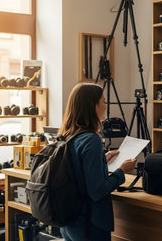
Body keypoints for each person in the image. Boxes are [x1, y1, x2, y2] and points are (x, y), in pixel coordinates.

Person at [58, 83, 136, 241]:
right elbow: (97, 191)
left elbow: (78, 172)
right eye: (104, 101)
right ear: (92, 106)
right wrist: (121, 171)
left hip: (70, 221)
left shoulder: (68, 135)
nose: (106, 106)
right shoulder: (91, 140)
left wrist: (102, 161)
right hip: (90, 224)